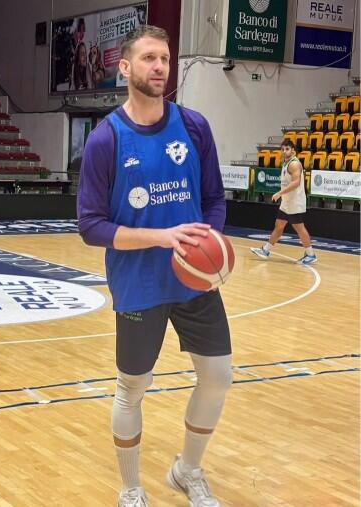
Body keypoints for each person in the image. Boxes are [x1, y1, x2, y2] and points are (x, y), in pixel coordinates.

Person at [77, 25, 232, 507]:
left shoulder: (195, 126)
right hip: (139, 283)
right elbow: (91, 226)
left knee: (218, 377)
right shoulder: (106, 139)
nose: (160, 66)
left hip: (195, 283)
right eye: (148, 58)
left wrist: (207, 243)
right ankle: (131, 487)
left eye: (164, 58)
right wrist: (162, 238)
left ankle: (188, 471)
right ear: (125, 68)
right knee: (133, 387)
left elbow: (214, 200)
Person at [250, 139, 316, 264]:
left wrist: (279, 193)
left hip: (295, 202)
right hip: (287, 202)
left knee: (299, 228)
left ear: (293, 151)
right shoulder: (286, 163)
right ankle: (266, 250)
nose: (284, 151)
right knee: (279, 225)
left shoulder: (294, 164)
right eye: (283, 149)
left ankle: (311, 254)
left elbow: (296, 183)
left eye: (287, 149)